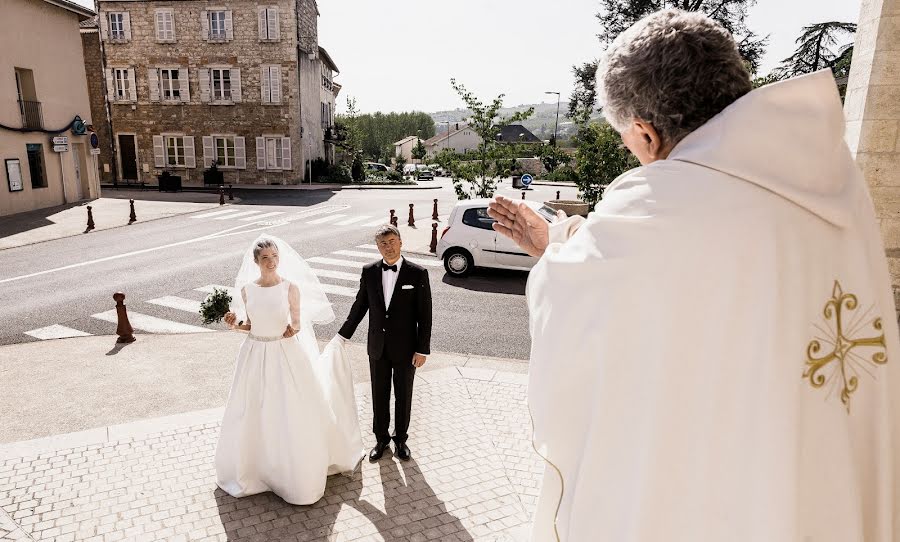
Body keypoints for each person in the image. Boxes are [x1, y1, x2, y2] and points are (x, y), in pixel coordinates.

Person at [489, 9, 900, 542]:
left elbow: (587, 287)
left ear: (646, 132)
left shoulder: (663, 198)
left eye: (626, 139)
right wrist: (560, 241)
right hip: (826, 472)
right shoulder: (831, 174)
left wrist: (555, 251)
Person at [215, 235, 363, 505]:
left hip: (283, 354)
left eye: (274, 257)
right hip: (254, 353)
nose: (270, 262)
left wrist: (292, 328)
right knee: (253, 410)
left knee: (289, 409)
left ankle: (291, 471)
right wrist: (235, 325)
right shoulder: (247, 290)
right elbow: (250, 324)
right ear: (256, 261)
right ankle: (258, 468)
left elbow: (296, 323)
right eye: (265, 258)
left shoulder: (290, 288)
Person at [338, 224, 432, 462]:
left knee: (403, 395)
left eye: (391, 242)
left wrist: (422, 349)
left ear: (400, 242)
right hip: (377, 347)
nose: (388, 247)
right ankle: (381, 440)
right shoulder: (369, 271)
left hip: (407, 349)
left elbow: (425, 315)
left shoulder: (418, 273)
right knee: (379, 395)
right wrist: (342, 335)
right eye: (382, 244)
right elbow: (359, 306)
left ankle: (401, 439)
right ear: (377, 247)